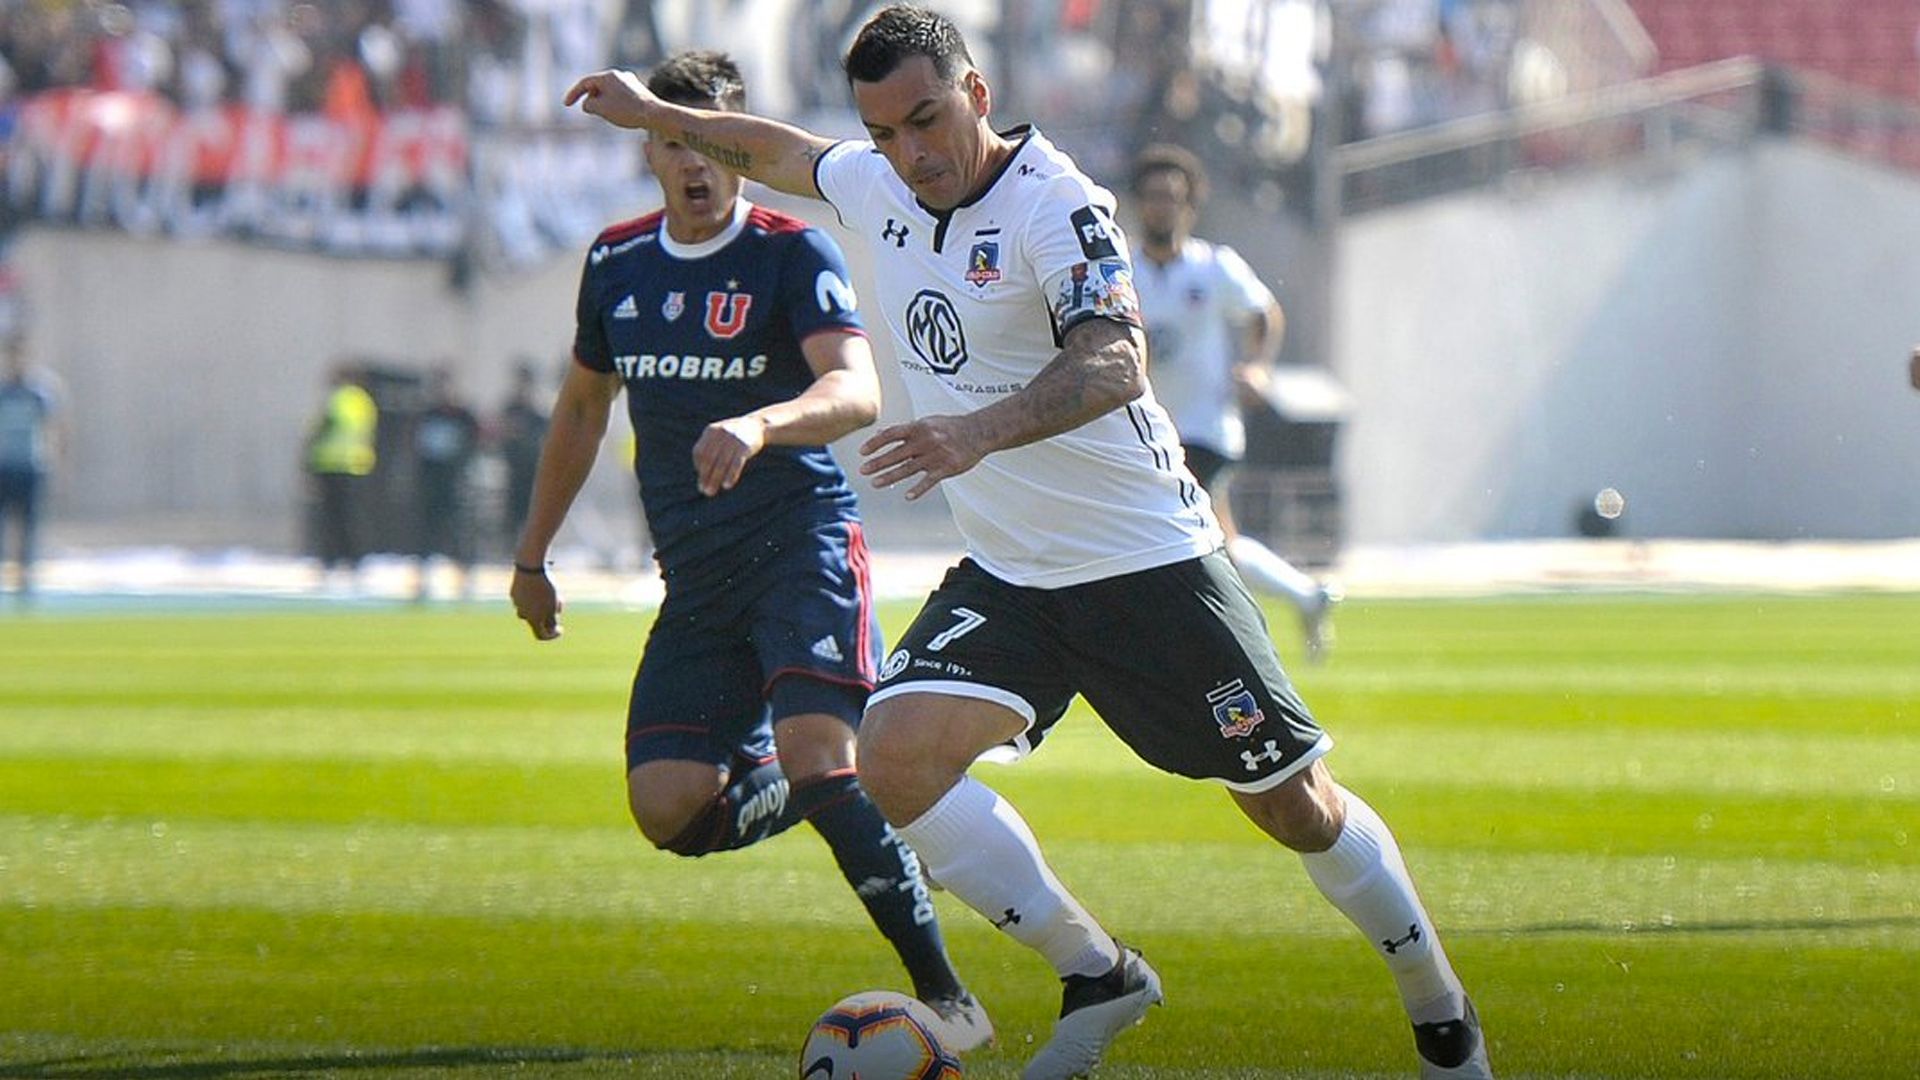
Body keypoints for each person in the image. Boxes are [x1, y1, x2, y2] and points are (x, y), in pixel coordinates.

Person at [565, 9, 1491, 1080]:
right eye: (885, 133)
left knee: (1291, 804)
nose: (910, 153)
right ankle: (1099, 973)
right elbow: (778, 152)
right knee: (894, 759)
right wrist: (655, 112)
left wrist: (975, 431)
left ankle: (1437, 1001)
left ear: (978, 95)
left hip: (1146, 564)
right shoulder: (880, 183)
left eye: (927, 119)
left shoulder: (1058, 203)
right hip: (1013, 574)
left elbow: (1114, 362)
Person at [513, 49, 990, 1053]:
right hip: (696, 581)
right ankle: (847, 793)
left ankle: (951, 1001)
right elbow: (582, 408)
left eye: (708, 143)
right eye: (670, 141)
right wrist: (532, 555)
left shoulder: (788, 252)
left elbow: (855, 391)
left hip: (799, 547)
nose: (693, 162)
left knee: (819, 759)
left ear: (734, 147)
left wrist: (761, 423)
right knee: (669, 808)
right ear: (649, 152)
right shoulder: (617, 262)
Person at [1129, 143, 1339, 661]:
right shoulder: (1122, 269)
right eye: (1153, 196)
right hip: (1145, 431)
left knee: (1179, 537)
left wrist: (1257, 365)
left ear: (1190, 206)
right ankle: (1305, 597)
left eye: (1172, 197)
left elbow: (1263, 312)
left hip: (1207, 428)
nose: (1162, 207)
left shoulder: (1213, 266)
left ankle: (1218, 645)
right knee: (1215, 542)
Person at [305, 362, 378, 587]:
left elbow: (326, 426)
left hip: (333, 465)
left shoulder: (341, 398)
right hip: (356, 465)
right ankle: (353, 561)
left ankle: (333, 560)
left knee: (333, 519)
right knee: (351, 519)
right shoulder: (365, 401)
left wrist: (309, 454)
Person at [413, 366, 482, 601]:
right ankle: (423, 580)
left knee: (458, 531)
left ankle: (465, 578)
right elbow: (418, 446)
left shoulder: (463, 416)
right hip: (432, 482)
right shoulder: (428, 414)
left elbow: (476, 442)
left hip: (455, 483)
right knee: (428, 531)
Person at [0, 339, 59, 597]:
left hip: (30, 467)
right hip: (4, 466)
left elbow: (55, 427)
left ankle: (25, 581)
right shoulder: (3, 392)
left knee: (28, 526)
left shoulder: (38, 392)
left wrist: (57, 461)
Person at [495, 359, 549, 556]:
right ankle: (509, 548)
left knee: (530, 511)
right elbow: (501, 434)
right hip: (512, 468)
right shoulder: (510, 410)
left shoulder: (536, 415)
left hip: (531, 470)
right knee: (511, 512)